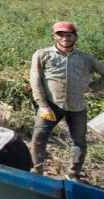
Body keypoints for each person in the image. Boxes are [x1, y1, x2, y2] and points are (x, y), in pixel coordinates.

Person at [29, 21, 104, 181]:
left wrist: (93, 87)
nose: (65, 38)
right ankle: (37, 170)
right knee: (39, 137)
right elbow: (35, 81)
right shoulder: (43, 54)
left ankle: (73, 174)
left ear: (75, 37)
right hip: (51, 105)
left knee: (79, 142)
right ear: (54, 36)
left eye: (69, 34)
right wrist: (42, 105)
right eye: (60, 34)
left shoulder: (86, 58)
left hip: (77, 107)